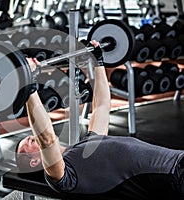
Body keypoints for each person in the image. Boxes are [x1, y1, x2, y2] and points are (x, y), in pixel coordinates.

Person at [15, 41, 184, 199]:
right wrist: (30, 85)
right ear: (35, 161)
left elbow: (102, 106)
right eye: (28, 142)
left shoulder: (88, 143)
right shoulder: (65, 177)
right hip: (173, 178)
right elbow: (46, 138)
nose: (31, 137)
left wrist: (98, 62)